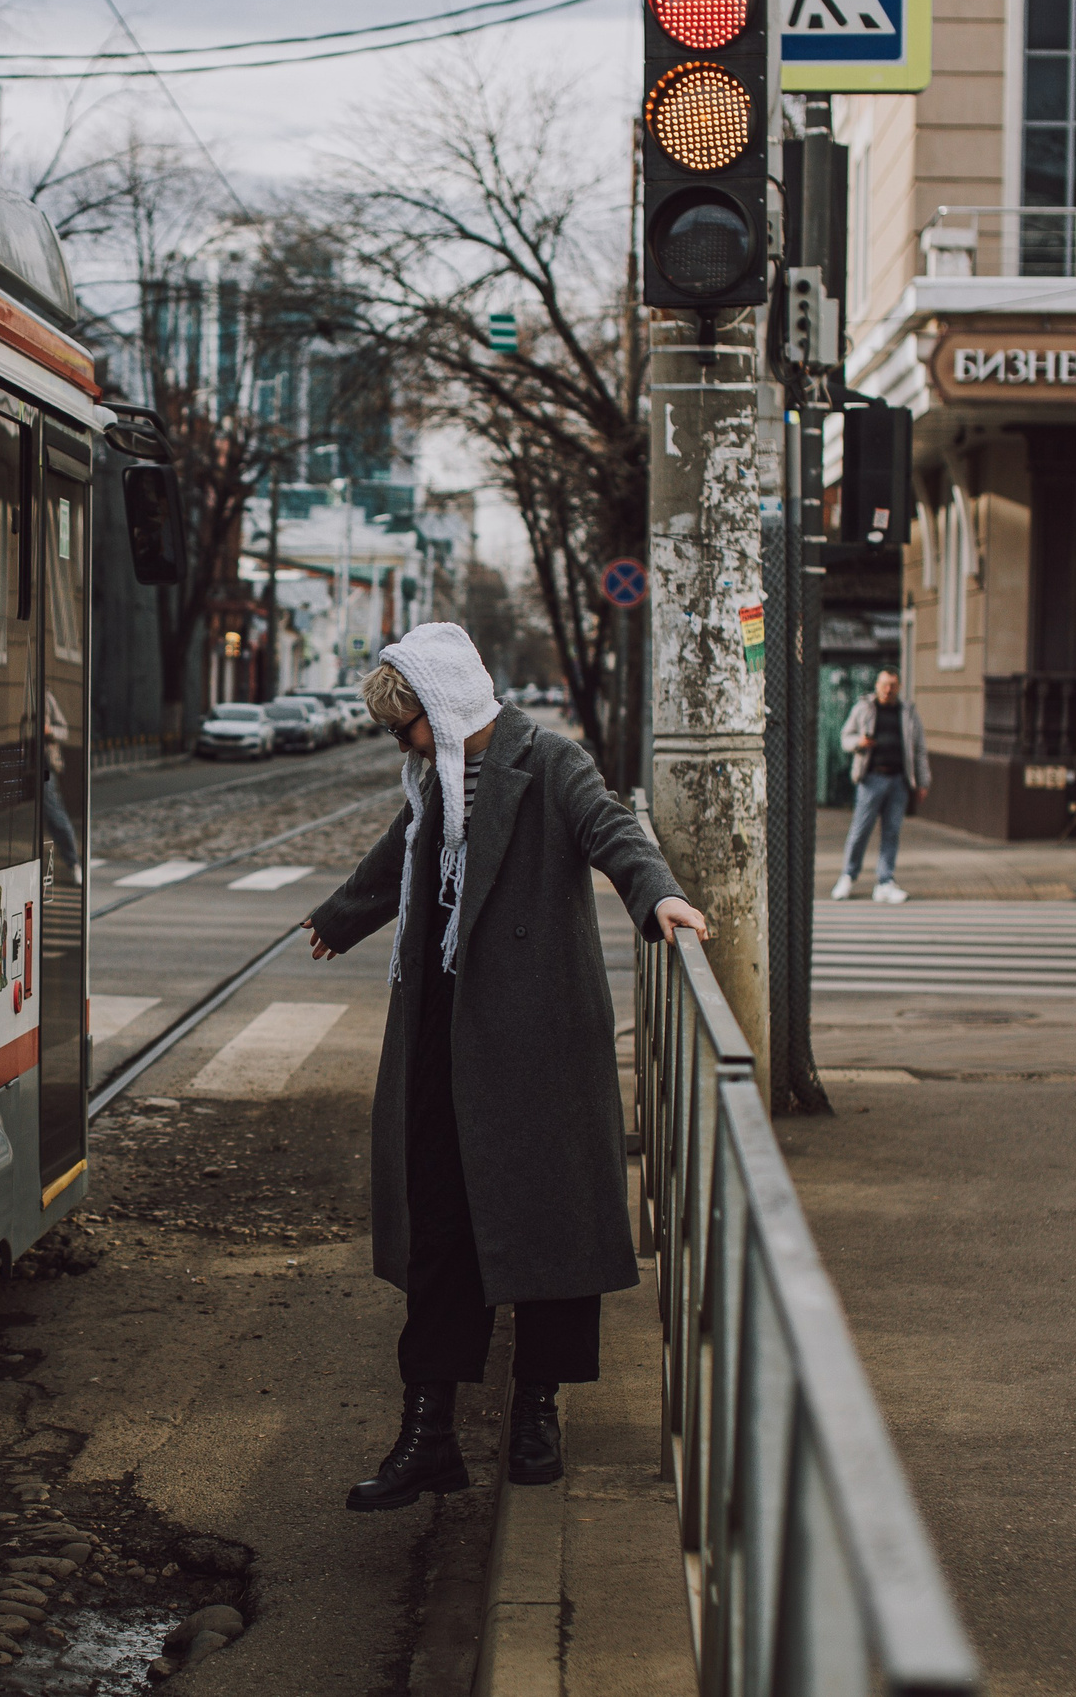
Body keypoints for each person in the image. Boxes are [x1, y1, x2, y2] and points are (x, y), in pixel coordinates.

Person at [300, 622, 708, 1509]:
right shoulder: (437, 780)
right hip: (443, 1031)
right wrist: (340, 917)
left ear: (442, 710)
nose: (400, 743)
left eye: (403, 725)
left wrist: (660, 894)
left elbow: (613, 831)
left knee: (548, 1227)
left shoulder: (551, 762)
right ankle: (427, 1431)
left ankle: (537, 1412)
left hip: (535, 1034)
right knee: (442, 1226)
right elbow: (399, 853)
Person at [831, 668, 929, 903]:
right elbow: (845, 737)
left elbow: (920, 749)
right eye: (884, 685)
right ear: (877, 685)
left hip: (899, 781)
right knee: (860, 830)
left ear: (899, 687)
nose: (888, 690)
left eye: (893, 685)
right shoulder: (864, 708)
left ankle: (885, 881)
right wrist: (859, 742)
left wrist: (923, 781)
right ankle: (847, 876)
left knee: (892, 831)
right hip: (871, 778)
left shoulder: (908, 712)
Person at [39, 686, 82, 885]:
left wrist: (49, 731)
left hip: (45, 767)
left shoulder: (47, 698)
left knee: (55, 814)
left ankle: (73, 863)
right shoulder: (25, 698)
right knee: (46, 820)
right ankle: (67, 862)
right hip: (27, 767)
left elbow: (63, 730)